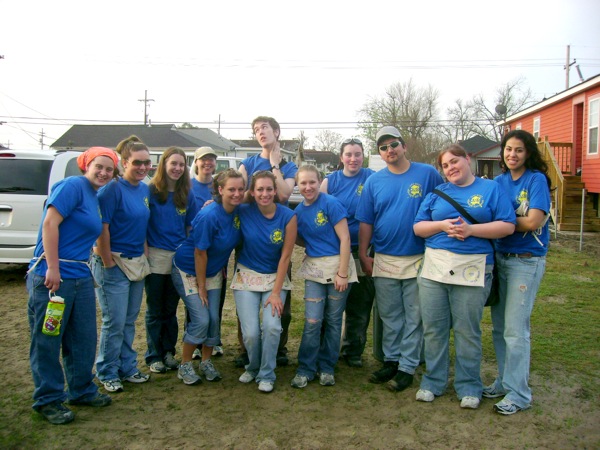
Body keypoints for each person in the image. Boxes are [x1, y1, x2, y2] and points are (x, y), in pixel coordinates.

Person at [413, 144, 515, 409]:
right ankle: (433, 381)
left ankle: (469, 385)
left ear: (467, 159)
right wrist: (441, 225)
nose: (451, 168)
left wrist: (471, 230)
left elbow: (507, 225)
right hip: (435, 269)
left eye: (455, 161)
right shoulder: (438, 192)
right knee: (434, 329)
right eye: (445, 165)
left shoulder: (490, 189)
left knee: (467, 330)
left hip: (473, 268)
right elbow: (418, 227)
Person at [27, 147, 118, 424]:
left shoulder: (93, 195)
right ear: (85, 166)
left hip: (80, 276)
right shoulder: (72, 186)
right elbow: (49, 225)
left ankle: (81, 390)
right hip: (53, 278)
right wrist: (53, 268)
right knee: (48, 340)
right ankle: (48, 399)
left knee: (83, 338)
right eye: (98, 167)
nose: (103, 173)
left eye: (109, 169)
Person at [356, 126, 443, 392]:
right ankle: (391, 361)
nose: (389, 150)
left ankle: (407, 367)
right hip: (384, 257)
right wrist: (363, 253)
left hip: (419, 256)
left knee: (414, 315)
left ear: (404, 146)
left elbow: (445, 202)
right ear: (380, 153)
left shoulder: (427, 174)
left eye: (393, 144)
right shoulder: (374, 181)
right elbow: (366, 221)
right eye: (383, 147)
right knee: (390, 315)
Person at [485, 130, 552, 415]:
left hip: (525, 261)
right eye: (508, 149)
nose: (512, 155)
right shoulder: (498, 182)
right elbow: (489, 216)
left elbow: (535, 220)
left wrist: (504, 221)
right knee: (500, 328)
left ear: (528, 153)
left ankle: (519, 394)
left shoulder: (536, 180)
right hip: (500, 258)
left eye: (519, 150)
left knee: (516, 330)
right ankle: (504, 381)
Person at [91, 135, 152, 393]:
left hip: (136, 263)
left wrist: (145, 256)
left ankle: (127, 367)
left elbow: (143, 226)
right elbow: (101, 229)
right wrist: (107, 262)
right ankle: (107, 370)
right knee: (113, 321)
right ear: (124, 162)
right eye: (137, 162)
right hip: (113, 263)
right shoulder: (111, 190)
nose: (142, 167)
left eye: (147, 163)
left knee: (129, 320)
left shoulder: (145, 189)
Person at [171, 169, 244, 385]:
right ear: (220, 190)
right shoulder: (209, 215)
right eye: (231, 189)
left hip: (213, 271)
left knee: (214, 318)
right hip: (189, 269)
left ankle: (205, 361)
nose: (237, 193)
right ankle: (184, 365)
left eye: (241, 189)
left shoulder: (239, 211)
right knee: (201, 319)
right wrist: (201, 286)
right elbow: (199, 252)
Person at [236, 116, 298, 367]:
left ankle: (279, 349)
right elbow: (239, 195)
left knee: (283, 304)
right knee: (246, 305)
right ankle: (245, 350)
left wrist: (275, 165)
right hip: (250, 240)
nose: (260, 132)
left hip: (277, 238)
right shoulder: (247, 163)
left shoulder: (289, 166)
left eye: (264, 128)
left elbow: (283, 194)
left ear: (277, 131)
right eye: (256, 130)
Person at [290, 165, 356, 389]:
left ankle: (327, 367)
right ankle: (306, 368)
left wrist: (343, 273)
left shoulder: (331, 203)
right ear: (297, 185)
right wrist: (310, 245)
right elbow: (297, 237)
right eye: (303, 183)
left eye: (312, 182)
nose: (308, 187)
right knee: (312, 321)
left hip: (339, 266)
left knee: (334, 321)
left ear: (320, 182)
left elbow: (345, 239)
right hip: (315, 271)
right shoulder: (298, 211)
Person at [234, 171, 297, 393]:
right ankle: (252, 367)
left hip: (274, 278)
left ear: (275, 191)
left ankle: (267, 373)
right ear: (252, 192)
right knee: (250, 332)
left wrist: (276, 292)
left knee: (272, 327)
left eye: (269, 189)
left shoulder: (288, 216)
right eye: (260, 189)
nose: (265, 194)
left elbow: (286, 256)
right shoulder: (242, 212)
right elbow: (222, 208)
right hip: (247, 276)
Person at [320, 138, 376, 368]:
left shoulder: (372, 177)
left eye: (358, 154)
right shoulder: (330, 181)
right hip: (334, 253)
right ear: (341, 157)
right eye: (349, 154)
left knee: (359, 305)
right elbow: (318, 212)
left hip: (362, 250)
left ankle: (353, 350)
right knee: (328, 307)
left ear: (364, 156)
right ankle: (323, 349)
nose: (353, 159)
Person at [144, 147, 198, 374]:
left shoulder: (187, 193)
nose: (177, 168)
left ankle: (168, 352)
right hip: (156, 256)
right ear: (163, 164)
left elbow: (190, 226)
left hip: (178, 259)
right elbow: (142, 223)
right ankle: (154, 355)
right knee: (155, 309)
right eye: (173, 163)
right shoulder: (151, 191)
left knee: (171, 308)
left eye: (181, 164)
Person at [190, 146, 226, 359]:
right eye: (203, 160)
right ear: (196, 162)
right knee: (195, 302)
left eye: (211, 159)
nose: (207, 163)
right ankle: (196, 342)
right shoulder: (189, 186)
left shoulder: (218, 186)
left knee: (216, 301)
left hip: (217, 253)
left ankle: (215, 340)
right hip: (197, 249)